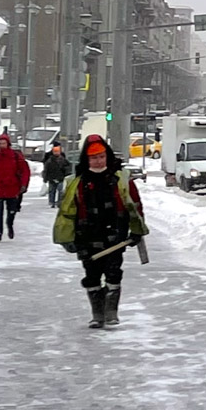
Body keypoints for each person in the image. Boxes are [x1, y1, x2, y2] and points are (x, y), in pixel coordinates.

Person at [53, 135, 148, 329]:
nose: (99, 161)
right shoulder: (76, 182)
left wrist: (136, 230)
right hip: (87, 235)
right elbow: (67, 212)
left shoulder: (120, 179)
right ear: (86, 160)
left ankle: (111, 311)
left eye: (102, 156)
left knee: (113, 272)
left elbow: (134, 206)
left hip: (115, 234)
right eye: (94, 157)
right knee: (92, 275)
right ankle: (97, 313)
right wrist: (66, 238)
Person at [41, 142, 72, 208]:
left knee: (57, 191)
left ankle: (57, 202)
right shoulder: (50, 160)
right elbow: (46, 169)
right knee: (53, 191)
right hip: (54, 177)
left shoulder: (62, 159)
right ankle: (53, 202)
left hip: (58, 177)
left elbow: (67, 168)